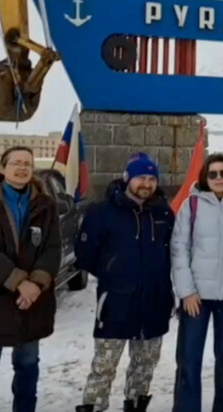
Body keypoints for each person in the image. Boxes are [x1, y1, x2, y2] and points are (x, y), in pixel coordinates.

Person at [0, 145, 62, 412]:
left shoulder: (46, 206)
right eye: (16, 162)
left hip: (32, 302)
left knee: (28, 364)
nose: (22, 168)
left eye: (27, 164)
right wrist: (20, 282)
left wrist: (36, 284)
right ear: (2, 168)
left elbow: (53, 249)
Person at [75, 152, 175, 412]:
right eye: (141, 177)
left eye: (152, 178)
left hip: (154, 302)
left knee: (144, 367)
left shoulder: (163, 212)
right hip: (116, 303)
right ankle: (93, 407)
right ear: (128, 178)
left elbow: (174, 251)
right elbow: (85, 255)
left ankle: (135, 405)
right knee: (104, 367)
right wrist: (112, 272)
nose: (147, 183)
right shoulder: (102, 212)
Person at [170, 153, 223, 412]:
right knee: (189, 360)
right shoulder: (191, 205)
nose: (218, 178)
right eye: (212, 174)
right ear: (205, 176)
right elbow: (179, 250)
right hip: (197, 297)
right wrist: (186, 291)